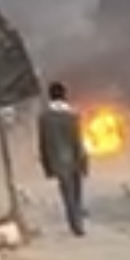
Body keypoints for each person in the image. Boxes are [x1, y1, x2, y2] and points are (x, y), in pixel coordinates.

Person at [37, 81, 89, 236]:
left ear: (50, 96)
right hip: (75, 159)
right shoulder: (73, 116)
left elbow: (43, 143)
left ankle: (75, 224)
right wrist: (84, 162)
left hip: (58, 162)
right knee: (77, 192)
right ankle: (78, 222)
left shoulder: (44, 118)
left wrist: (46, 166)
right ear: (64, 95)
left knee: (67, 194)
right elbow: (78, 141)